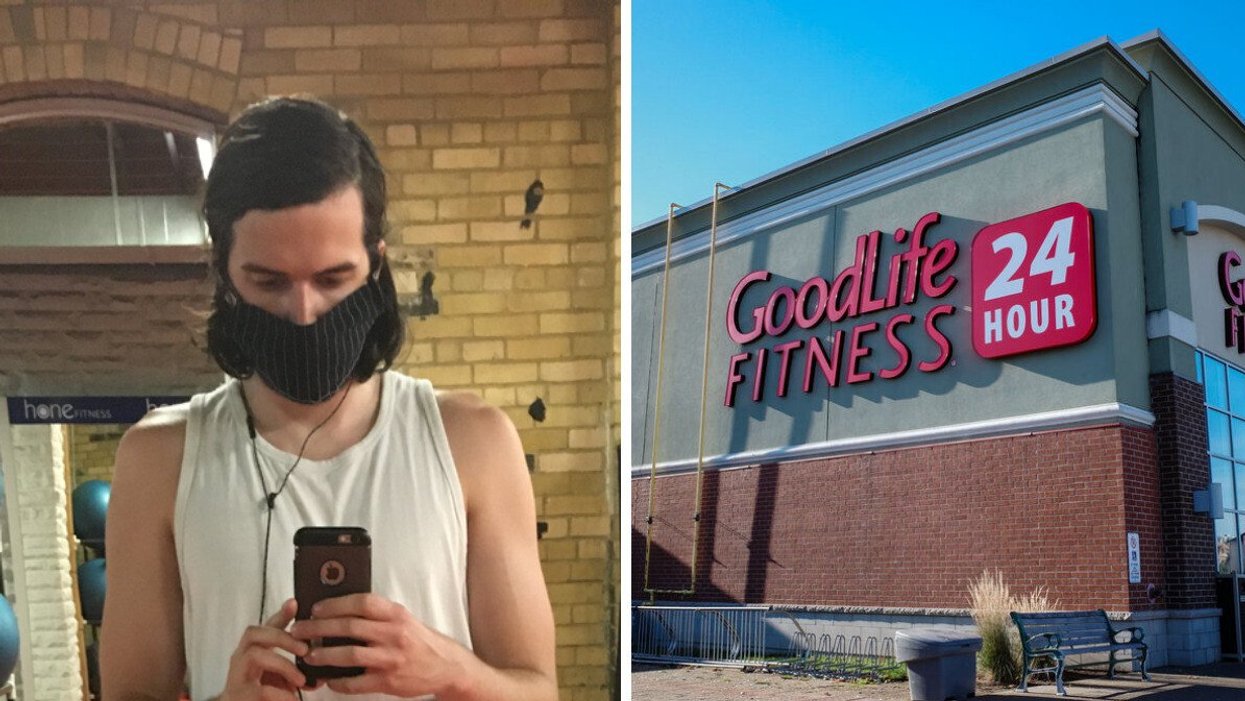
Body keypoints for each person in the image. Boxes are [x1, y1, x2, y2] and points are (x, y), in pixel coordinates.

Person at [100, 97, 557, 701]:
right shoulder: (159, 459)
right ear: (224, 270)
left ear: (375, 264)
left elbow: (539, 689)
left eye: (332, 278)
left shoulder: (475, 442)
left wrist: (449, 669)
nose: (304, 312)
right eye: (268, 281)